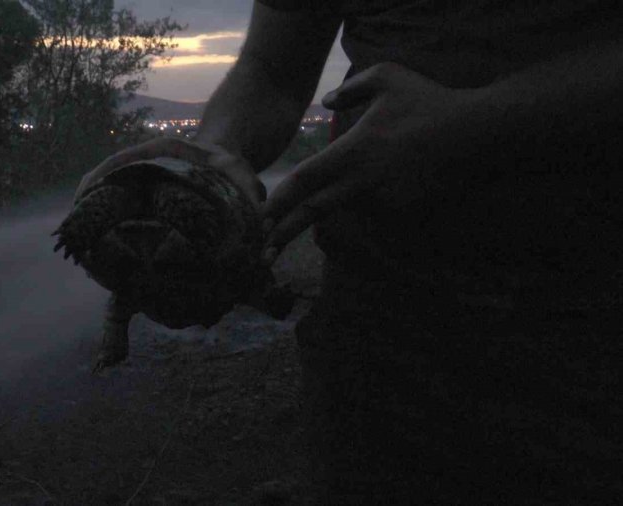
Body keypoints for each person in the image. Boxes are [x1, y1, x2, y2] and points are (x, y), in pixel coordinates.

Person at [77, 1, 623, 503]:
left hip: (590, 317)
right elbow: (274, 69)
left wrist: (475, 119)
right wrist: (213, 155)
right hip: (380, 327)